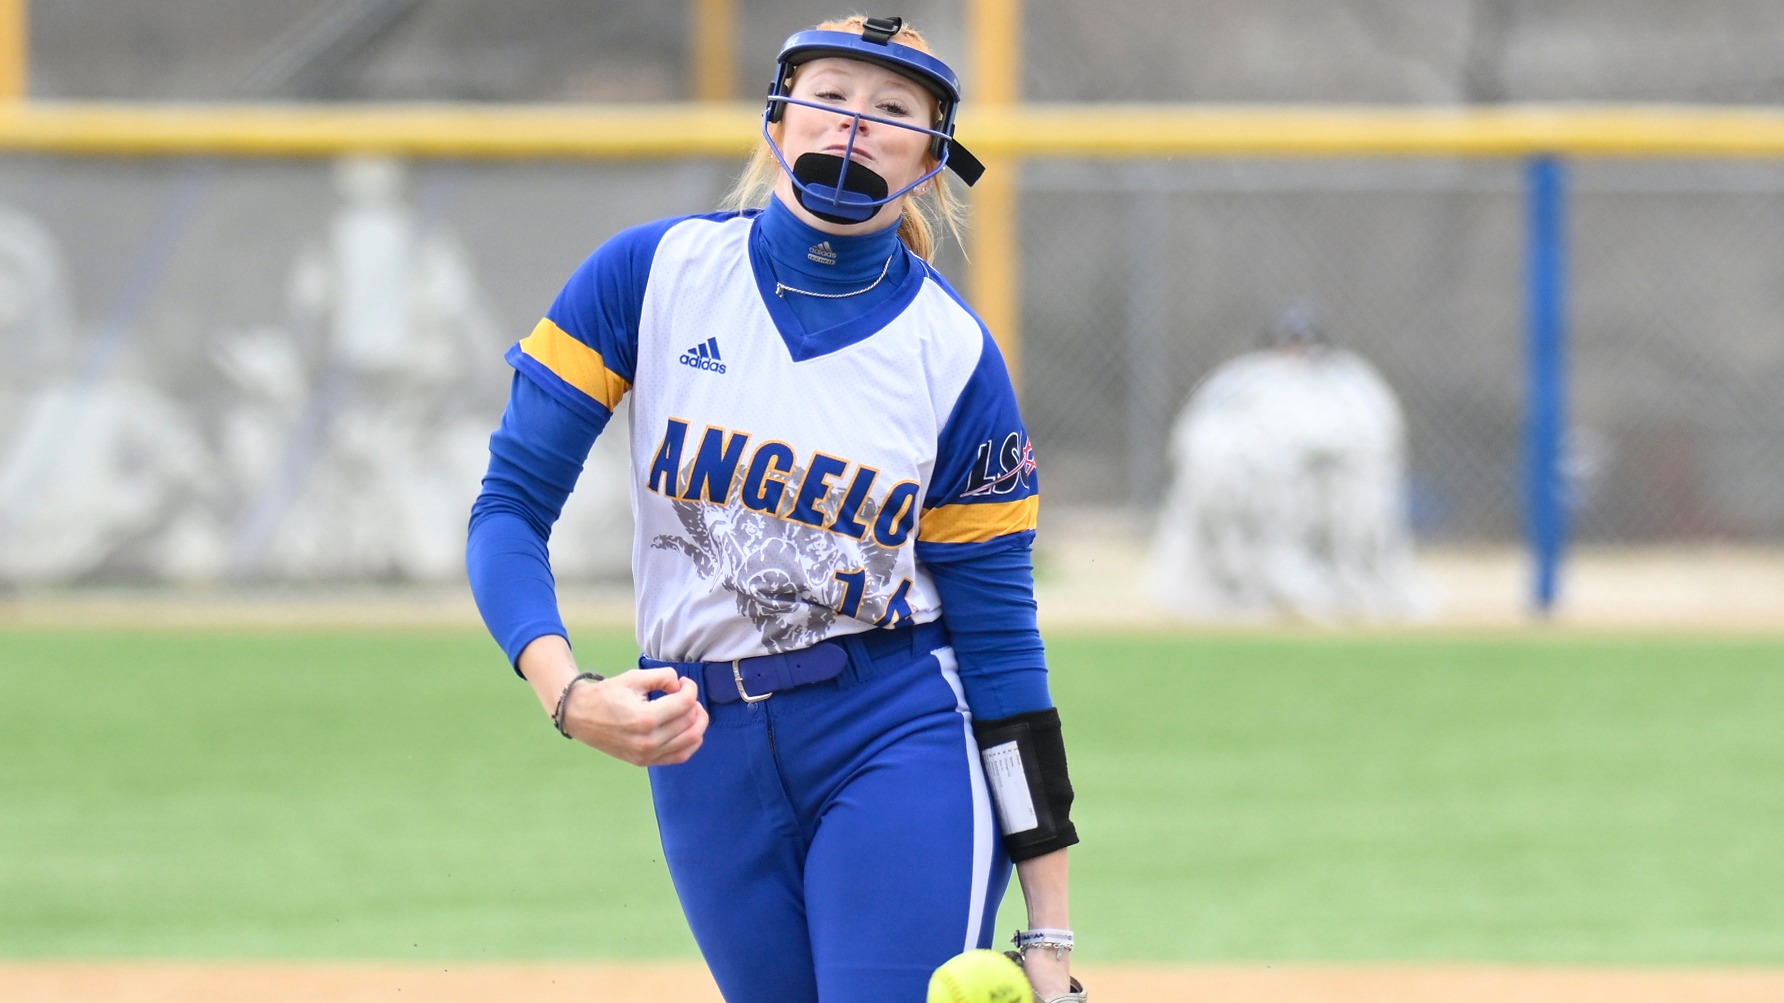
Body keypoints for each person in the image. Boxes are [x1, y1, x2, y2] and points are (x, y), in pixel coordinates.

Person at [466, 15, 1085, 1003]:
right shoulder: (651, 275)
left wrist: (1047, 932)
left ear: (931, 158)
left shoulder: (951, 354)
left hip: (894, 727)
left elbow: (1003, 646)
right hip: (699, 742)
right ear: (775, 119)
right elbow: (506, 510)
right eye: (829, 96)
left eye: (892, 112)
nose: (853, 126)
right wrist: (568, 694)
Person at [1149, 303, 1425, 622]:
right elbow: (1201, 436)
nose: (1296, 351)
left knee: (1354, 507)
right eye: (1289, 340)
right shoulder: (1242, 380)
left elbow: (1375, 438)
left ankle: (1349, 590)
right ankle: (1243, 591)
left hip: (1325, 484)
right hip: (1254, 484)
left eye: (1305, 341)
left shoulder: (1348, 382)